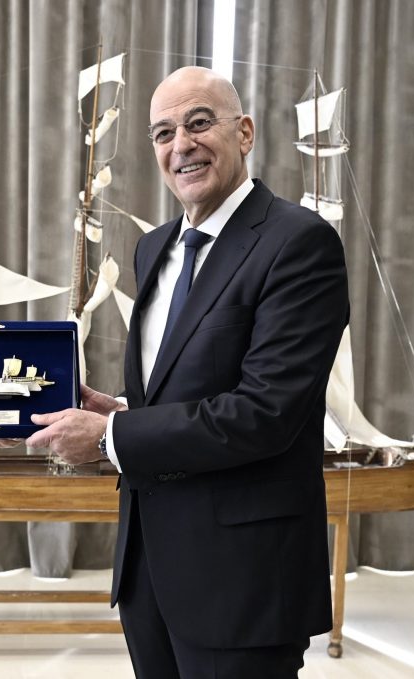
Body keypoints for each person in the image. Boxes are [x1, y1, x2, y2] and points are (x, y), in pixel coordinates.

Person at [28, 66, 349, 677]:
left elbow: (265, 413)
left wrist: (111, 438)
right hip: (149, 568)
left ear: (245, 132)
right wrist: (123, 412)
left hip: (244, 577)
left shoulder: (298, 243)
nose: (182, 145)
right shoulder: (154, 248)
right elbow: (186, 385)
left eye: (199, 123)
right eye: (163, 133)